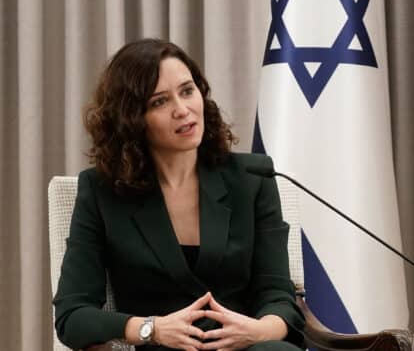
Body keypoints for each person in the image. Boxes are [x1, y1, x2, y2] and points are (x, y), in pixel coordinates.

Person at [53, 38, 305, 351]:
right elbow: (72, 315)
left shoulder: (252, 177)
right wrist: (151, 328)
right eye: (160, 102)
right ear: (132, 119)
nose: (183, 110)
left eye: (187, 91)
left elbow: (278, 294)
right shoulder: (103, 191)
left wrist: (257, 330)